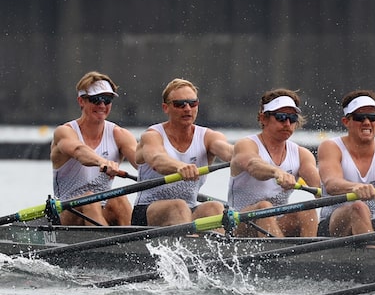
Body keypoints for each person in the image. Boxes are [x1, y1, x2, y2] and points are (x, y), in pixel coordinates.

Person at [132, 78, 234, 226]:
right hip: (147, 212)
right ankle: (192, 246)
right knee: (178, 206)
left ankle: (215, 248)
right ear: (166, 108)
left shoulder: (209, 137)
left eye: (192, 103)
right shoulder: (152, 136)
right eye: (180, 104)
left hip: (189, 209)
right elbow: (157, 159)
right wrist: (179, 167)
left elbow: (229, 152)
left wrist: (247, 158)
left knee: (215, 208)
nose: (187, 109)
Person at [317, 90, 375, 237]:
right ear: (346, 121)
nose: (367, 122)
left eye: (372, 117)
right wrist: (355, 187)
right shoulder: (331, 147)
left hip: (374, 220)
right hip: (333, 225)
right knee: (359, 207)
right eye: (359, 117)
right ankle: (374, 255)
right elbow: (331, 183)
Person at [227, 89, 320, 237]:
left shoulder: (302, 154)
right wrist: (277, 172)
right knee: (265, 207)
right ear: (263, 118)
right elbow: (253, 165)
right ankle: (284, 257)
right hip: (239, 227)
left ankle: (310, 256)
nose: (287, 123)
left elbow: (322, 189)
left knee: (307, 209)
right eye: (281, 117)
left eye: (292, 118)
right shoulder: (246, 145)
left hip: (277, 224)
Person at [50, 71, 139, 226]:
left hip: (103, 210)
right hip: (67, 213)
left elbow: (143, 165)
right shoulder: (65, 132)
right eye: (95, 100)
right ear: (81, 101)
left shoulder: (120, 135)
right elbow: (79, 151)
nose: (102, 105)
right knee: (90, 199)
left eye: (107, 100)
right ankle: (111, 246)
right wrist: (102, 162)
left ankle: (134, 244)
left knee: (119, 198)